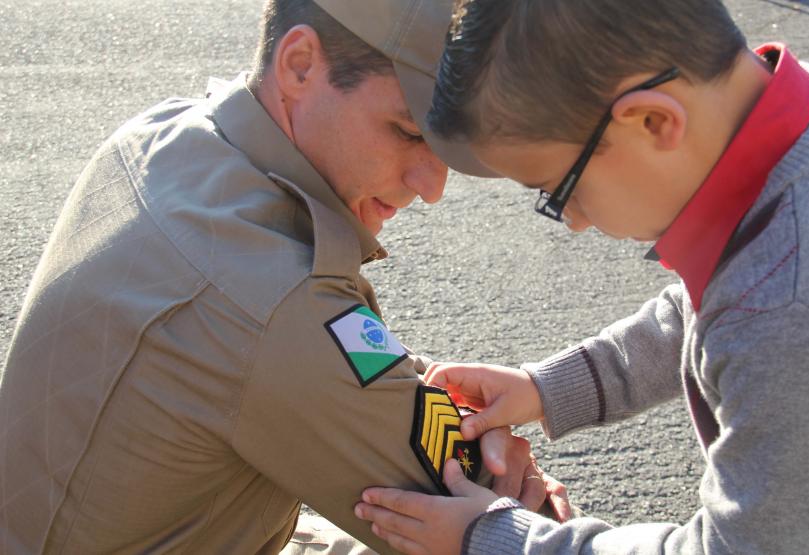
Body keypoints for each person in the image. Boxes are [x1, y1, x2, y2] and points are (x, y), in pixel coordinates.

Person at [353, 0, 809, 553]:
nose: (571, 222)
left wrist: (496, 538)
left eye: (557, 189)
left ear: (653, 121)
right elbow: (712, 303)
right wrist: (546, 389)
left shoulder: (801, 314)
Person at [0, 1, 558, 553]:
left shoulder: (162, 133)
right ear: (298, 65)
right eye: (409, 132)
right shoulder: (276, 299)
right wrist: (523, 497)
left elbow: (322, 363)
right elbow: (487, 506)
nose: (430, 186)